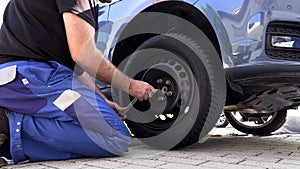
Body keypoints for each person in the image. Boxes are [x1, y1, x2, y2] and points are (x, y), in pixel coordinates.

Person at [0, 0, 156, 166]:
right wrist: (131, 86)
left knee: (105, 126)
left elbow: (78, 67)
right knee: (115, 135)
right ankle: (10, 124)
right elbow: (83, 54)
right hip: (32, 79)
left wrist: (102, 100)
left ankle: (10, 136)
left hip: (24, 81)